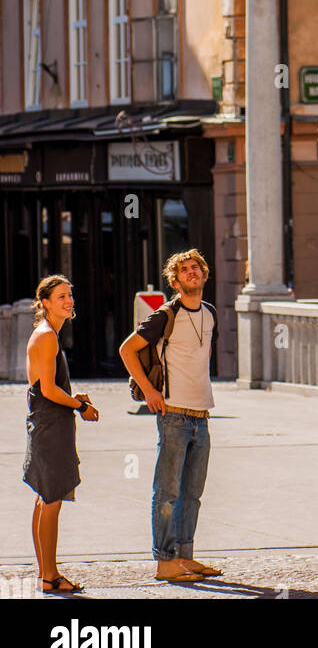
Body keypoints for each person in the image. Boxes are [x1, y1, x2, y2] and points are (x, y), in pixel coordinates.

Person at [119, 249, 221, 585]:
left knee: (193, 493)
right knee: (167, 493)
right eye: (184, 270)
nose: (192, 273)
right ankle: (164, 561)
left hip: (202, 414)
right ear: (175, 281)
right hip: (173, 414)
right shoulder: (165, 314)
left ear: (204, 275)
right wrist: (149, 391)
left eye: (196, 268)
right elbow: (127, 349)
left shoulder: (209, 313)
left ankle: (185, 558)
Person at [23, 275, 99, 595]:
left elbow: (50, 386)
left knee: (44, 499)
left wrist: (73, 398)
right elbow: (48, 389)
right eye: (60, 297)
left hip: (47, 423)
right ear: (45, 303)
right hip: (50, 427)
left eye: (70, 295)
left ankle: (46, 573)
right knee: (51, 501)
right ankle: (51, 576)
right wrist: (80, 407)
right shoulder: (47, 336)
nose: (68, 301)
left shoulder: (49, 334)